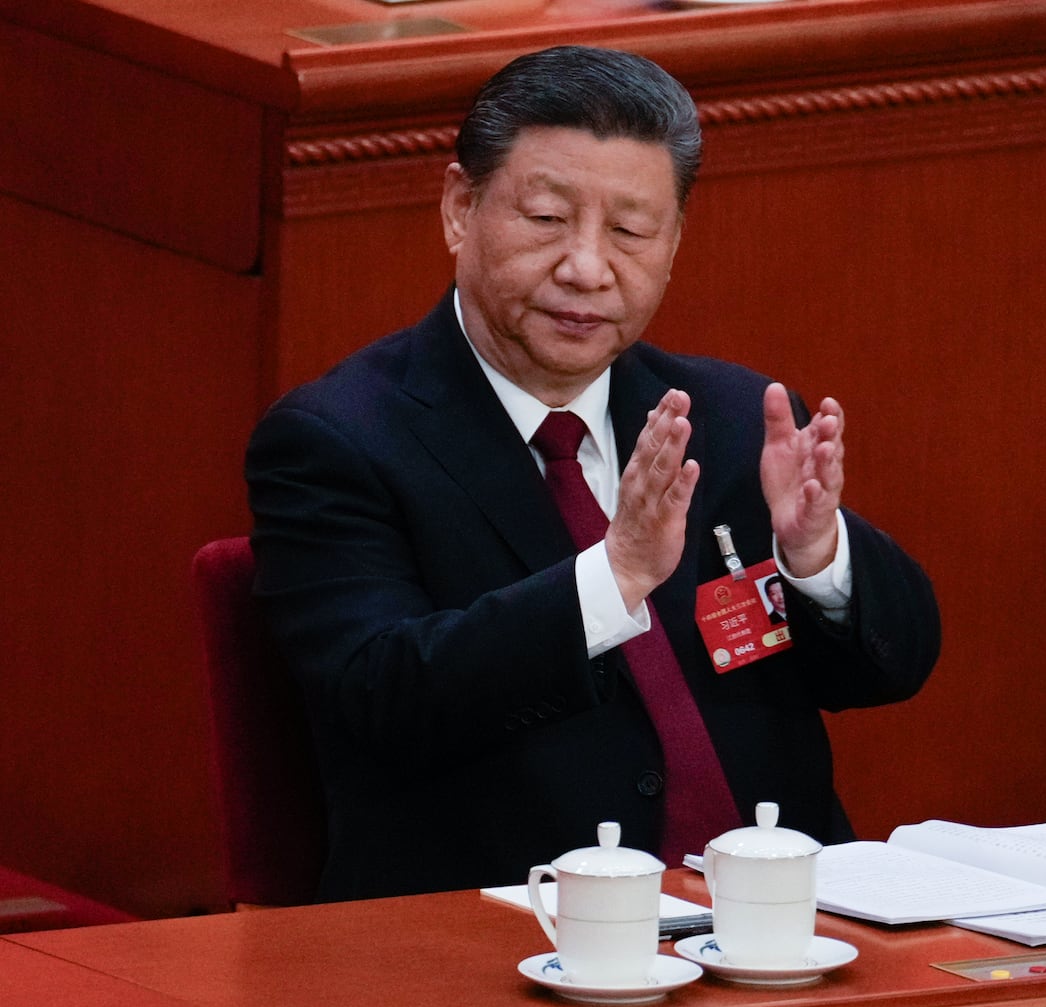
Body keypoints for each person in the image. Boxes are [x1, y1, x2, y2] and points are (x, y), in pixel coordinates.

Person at [245, 45, 940, 903]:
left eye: (629, 231)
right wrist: (610, 580)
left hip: (780, 929)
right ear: (461, 207)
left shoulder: (722, 417)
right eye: (545, 219)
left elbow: (895, 666)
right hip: (513, 932)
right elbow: (382, 699)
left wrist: (816, 554)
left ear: (675, 240)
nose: (586, 267)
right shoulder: (338, 439)